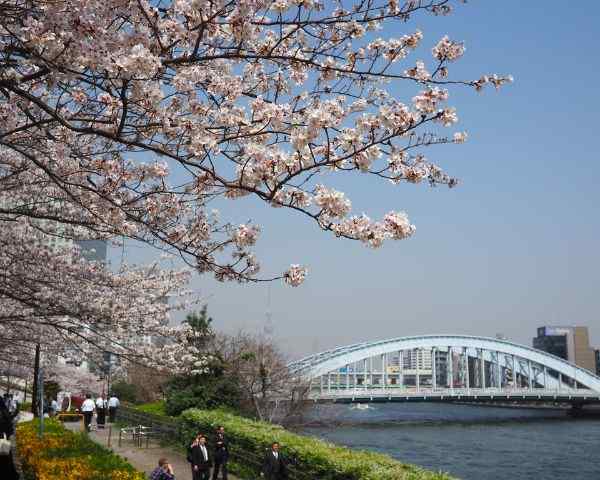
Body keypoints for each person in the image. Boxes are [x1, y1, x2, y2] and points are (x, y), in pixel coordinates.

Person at [0, 397, 18, 480]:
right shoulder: (4, 412)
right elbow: (10, 429)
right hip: (3, 443)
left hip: (2, 442)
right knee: (5, 462)